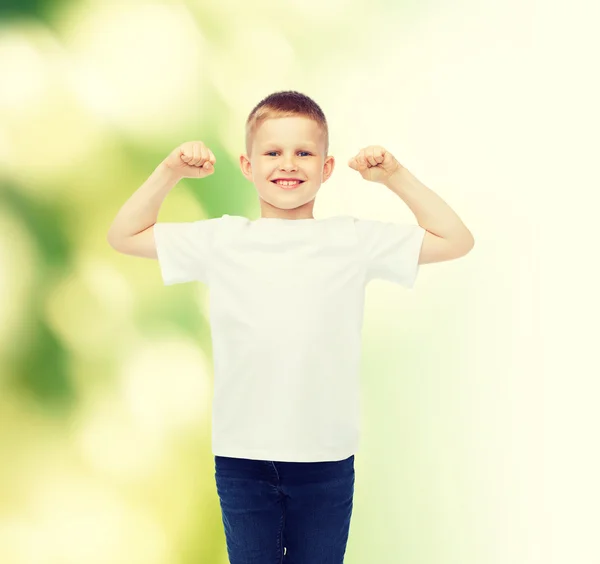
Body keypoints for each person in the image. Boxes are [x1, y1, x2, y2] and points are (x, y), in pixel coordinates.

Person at [107, 90, 475, 563]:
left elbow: (456, 239)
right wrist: (170, 172)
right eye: (273, 152)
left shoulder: (353, 240)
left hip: (326, 459)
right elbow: (124, 235)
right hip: (243, 459)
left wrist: (394, 177)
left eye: (304, 153)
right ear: (247, 164)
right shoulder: (222, 239)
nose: (289, 164)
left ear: (326, 167)